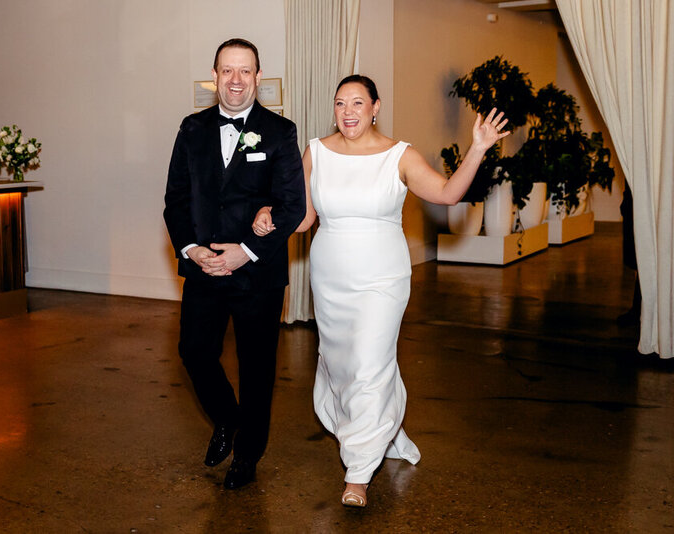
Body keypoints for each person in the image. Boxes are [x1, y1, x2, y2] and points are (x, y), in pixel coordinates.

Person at [253, 75, 508, 506]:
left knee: (370, 364)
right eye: (340, 103)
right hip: (330, 278)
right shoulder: (315, 151)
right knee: (344, 365)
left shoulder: (399, 155)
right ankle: (382, 429)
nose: (348, 111)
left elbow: (447, 194)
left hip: (382, 280)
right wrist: (267, 214)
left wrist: (479, 148)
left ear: (375, 107)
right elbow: (303, 217)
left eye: (357, 102)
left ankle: (358, 472)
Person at [163, 38, 305, 490]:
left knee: (257, 366)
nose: (236, 80)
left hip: (257, 274)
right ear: (215, 76)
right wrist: (191, 250)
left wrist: (245, 250)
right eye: (228, 71)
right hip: (204, 269)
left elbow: (292, 207)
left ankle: (248, 455)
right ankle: (228, 418)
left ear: (258, 77)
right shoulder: (191, 129)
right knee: (194, 351)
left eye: (245, 71)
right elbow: (176, 200)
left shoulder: (280, 132)